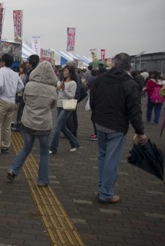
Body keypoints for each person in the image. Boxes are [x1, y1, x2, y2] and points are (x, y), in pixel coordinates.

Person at [90, 53, 147, 203]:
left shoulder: (101, 79)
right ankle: (106, 193)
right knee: (111, 160)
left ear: (114, 64)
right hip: (117, 126)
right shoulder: (129, 83)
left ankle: (103, 188)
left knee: (103, 156)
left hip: (100, 123)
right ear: (129, 66)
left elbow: (93, 101)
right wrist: (140, 131)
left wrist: (96, 117)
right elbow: (134, 110)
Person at [7, 61, 58, 186]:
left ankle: (13, 169)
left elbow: (25, 100)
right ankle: (42, 180)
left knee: (26, 148)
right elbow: (52, 106)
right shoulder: (52, 89)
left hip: (28, 122)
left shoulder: (29, 85)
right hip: (44, 124)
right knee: (44, 152)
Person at [0, 54, 24, 154]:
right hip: (12, 102)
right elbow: (21, 86)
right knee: (7, 126)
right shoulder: (15, 74)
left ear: (3, 62)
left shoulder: (0, 71)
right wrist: (13, 91)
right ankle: (5, 146)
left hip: (3, 100)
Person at [49, 66, 81, 154]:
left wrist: (63, 90)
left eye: (66, 71)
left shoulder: (73, 83)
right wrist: (57, 89)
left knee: (57, 126)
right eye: (64, 71)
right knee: (62, 127)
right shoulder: (60, 81)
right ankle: (74, 143)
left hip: (67, 106)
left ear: (70, 72)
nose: (64, 72)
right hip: (59, 105)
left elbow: (71, 96)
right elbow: (58, 93)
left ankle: (53, 147)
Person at [13, 55, 39, 131]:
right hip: (29, 95)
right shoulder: (33, 72)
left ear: (31, 64)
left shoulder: (32, 73)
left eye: (28, 62)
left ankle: (19, 125)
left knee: (21, 110)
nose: (26, 64)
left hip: (28, 95)